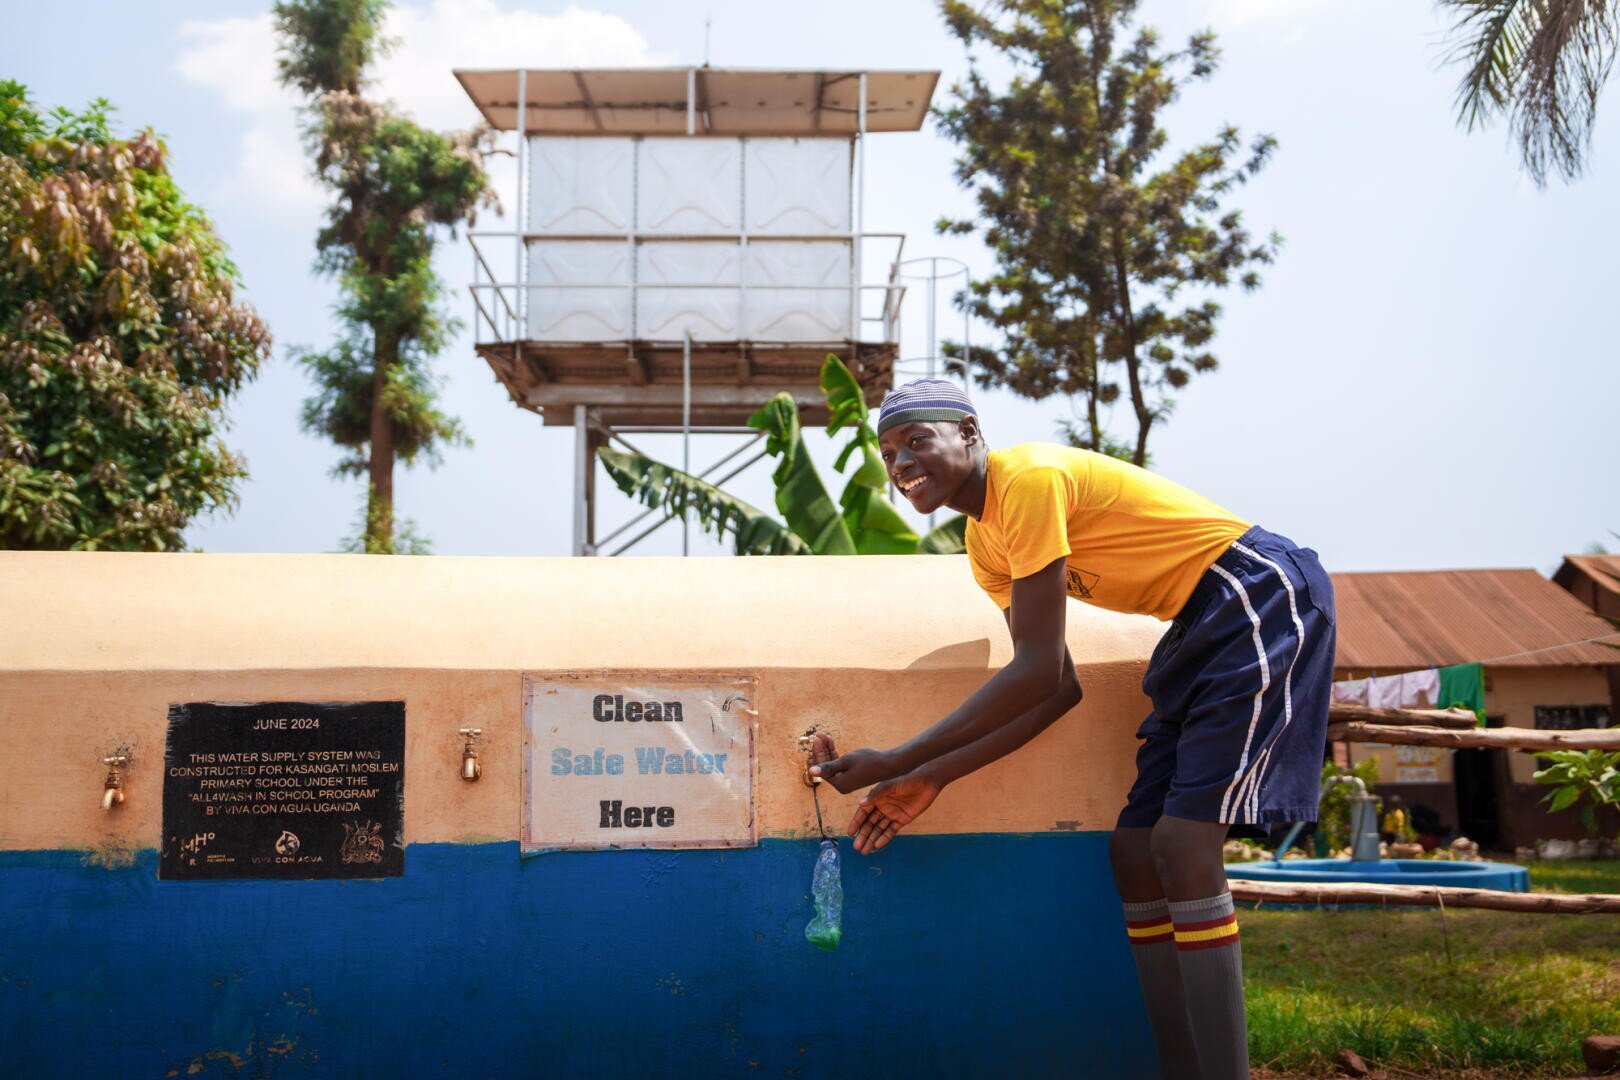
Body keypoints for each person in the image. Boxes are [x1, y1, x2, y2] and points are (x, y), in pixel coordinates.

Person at [810, 379, 1336, 1080]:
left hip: (1254, 592)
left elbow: (1030, 674)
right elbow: (1056, 687)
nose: (900, 463)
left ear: (968, 432)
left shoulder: (1026, 480)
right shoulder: (983, 545)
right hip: (1192, 623)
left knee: (1183, 844)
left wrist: (898, 755)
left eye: (916, 441)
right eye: (887, 453)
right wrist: (928, 776)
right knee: (1134, 851)